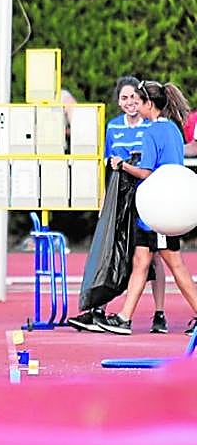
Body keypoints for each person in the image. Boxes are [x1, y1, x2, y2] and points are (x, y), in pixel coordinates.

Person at [68, 76, 167, 334]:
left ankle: (159, 314)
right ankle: (99, 309)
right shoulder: (113, 127)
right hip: (121, 197)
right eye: (124, 98)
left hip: (147, 195)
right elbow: (107, 167)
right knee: (116, 252)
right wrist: (105, 202)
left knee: (154, 256)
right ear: (118, 102)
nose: (130, 102)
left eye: (134, 97)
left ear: (142, 99)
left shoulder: (151, 126)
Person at [99, 80, 197, 335]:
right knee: (141, 260)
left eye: (139, 101)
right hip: (163, 206)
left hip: (159, 209)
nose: (135, 105)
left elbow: (146, 172)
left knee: (175, 264)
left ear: (149, 104)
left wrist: (122, 165)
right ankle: (124, 318)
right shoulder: (173, 128)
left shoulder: (152, 131)